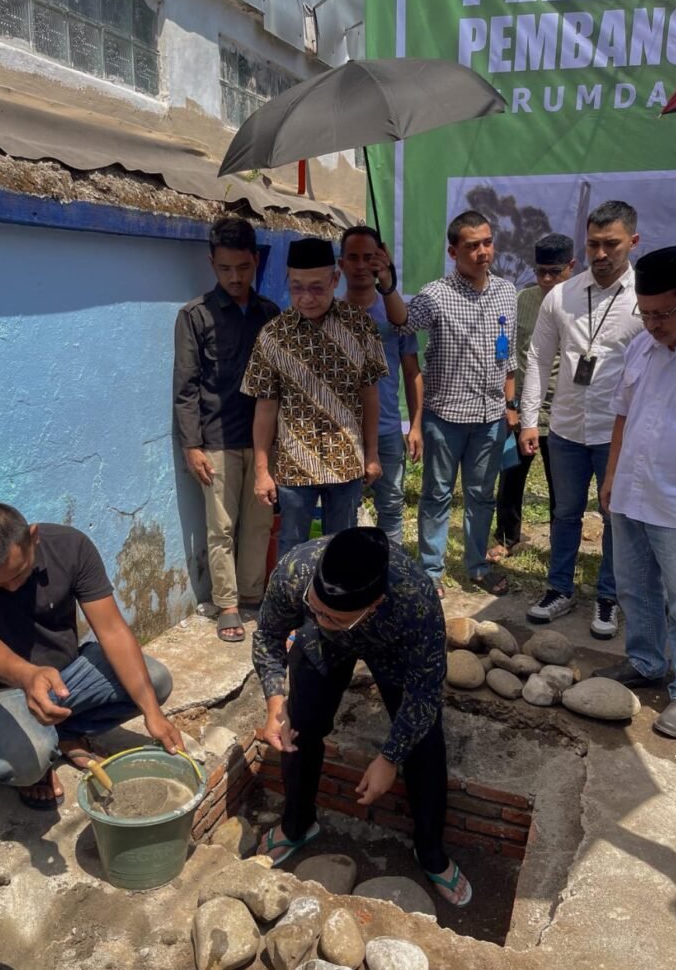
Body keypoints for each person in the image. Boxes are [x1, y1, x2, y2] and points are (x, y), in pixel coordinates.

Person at [252, 527, 471, 906]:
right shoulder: (295, 571)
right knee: (299, 725)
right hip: (322, 650)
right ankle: (297, 824)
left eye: (335, 617)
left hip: (391, 650)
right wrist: (275, 700)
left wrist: (390, 759)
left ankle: (431, 851)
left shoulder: (414, 600)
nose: (321, 618)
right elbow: (269, 637)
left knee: (424, 742)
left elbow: (424, 692)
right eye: (315, 608)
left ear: (375, 604)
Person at [0, 504, 183, 809]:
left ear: (34, 537)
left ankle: (63, 734)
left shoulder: (70, 546)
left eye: (19, 572)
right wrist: (28, 676)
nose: (12, 586)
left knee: (154, 682)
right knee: (26, 764)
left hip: (64, 677)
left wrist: (153, 713)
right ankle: (34, 750)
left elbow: (111, 630)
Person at [519, 201, 642, 638]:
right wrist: (530, 421)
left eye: (612, 243)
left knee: (614, 516)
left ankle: (609, 598)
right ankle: (559, 589)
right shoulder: (563, 295)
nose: (602, 253)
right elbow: (537, 359)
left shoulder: (643, 296)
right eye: (594, 244)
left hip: (618, 430)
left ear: (633, 241)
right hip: (568, 427)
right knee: (565, 512)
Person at [593, 245, 676, 739]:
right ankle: (645, 661)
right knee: (634, 588)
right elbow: (621, 416)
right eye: (646, 312)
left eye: (663, 313)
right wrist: (612, 478)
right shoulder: (642, 346)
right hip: (632, 496)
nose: (653, 324)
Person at [381, 211, 518, 597]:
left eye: (487, 242)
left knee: (481, 495)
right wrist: (388, 286)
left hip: (491, 418)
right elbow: (403, 322)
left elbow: (508, 357)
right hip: (445, 418)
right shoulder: (437, 294)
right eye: (472, 245)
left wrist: (512, 406)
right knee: (437, 495)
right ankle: (431, 571)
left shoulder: (506, 291)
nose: (482, 252)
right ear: (453, 251)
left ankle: (476, 566)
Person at [241, 237, 388, 557]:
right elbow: (265, 408)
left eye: (317, 288)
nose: (306, 298)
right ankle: (291, 607)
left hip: (347, 461)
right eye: (297, 287)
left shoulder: (360, 326)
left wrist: (372, 453)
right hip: (294, 465)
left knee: (342, 548)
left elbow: (370, 394)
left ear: (335, 280)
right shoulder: (272, 335)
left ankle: (339, 607)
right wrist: (262, 472)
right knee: (292, 548)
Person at [173, 217, 279, 641]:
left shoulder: (270, 315)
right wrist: (191, 444)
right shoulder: (194, 317)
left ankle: (253, 596)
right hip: (215, 438)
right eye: (225, 269)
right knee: (221, 527)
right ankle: (228, 604)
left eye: (242, 267)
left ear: (255, 261)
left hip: (263, 441)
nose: (235, 277)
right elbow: (185, 385)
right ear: (212, 263)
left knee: (258, 523)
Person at [488, 234, 575, 561]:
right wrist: (509, 405)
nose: (547, 280)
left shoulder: (581, 304)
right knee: (511, 477)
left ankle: (560, 545)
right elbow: (508, 354)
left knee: (562, 486)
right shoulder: (521, 301)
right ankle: (506, 536)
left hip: (563, 412)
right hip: (521, 411)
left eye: (555, 272)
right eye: (541, 272)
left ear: (572, 267)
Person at [339, 225, 424, 544]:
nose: (361, 265)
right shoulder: (329, 313)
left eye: (369, 257)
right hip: (342, 429)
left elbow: (412, 371)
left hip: (388, 428)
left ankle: (392, 576)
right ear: (341, 264)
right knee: (344, 510)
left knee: (390, 508)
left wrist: (415, 425)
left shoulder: (394, 313)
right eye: (353, 257)